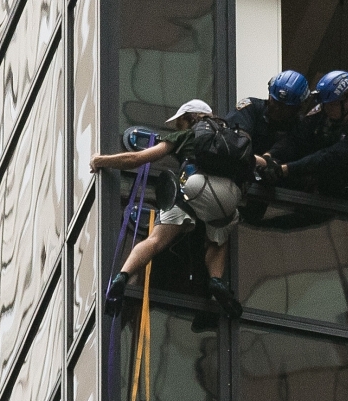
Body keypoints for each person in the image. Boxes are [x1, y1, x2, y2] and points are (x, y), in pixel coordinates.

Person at [90, 99, 244, 318]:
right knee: (218, 239)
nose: (177, 127)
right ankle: (216, 280)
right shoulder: (232, 138)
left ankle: (122, 276)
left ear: (191, 118)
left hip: (193, 188)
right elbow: (256, 163)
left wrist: (101, 161)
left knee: (155, 241)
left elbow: (138, 158)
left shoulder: (186, 135)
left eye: (180, 122)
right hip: (227, 195)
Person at [258, 70, 348, 204]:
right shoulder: (322, 113)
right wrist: (269, 156)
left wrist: (284, 170)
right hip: (331, 199)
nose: (327, 108)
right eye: (325, 104)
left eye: (332, 104)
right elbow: (295, 138)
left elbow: (328, 158)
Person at [229, 69, 309, 156]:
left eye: (285, 107)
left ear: (297, 107)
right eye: (275, 102)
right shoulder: (250, 108)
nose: (277, 109)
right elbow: (235, 140)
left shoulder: (301, 126)